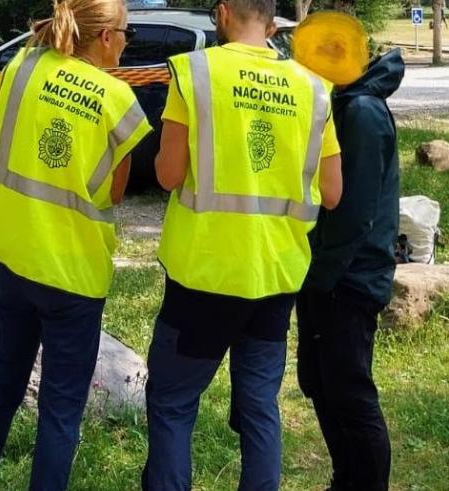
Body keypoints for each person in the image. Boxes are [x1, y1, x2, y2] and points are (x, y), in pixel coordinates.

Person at [141, 0, 343, 488]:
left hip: (203, 272)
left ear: (223, 12)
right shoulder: (313, 88)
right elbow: (333, 192)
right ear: (272, 21)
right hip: (274, 274)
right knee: (258, 407)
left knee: (172, 405)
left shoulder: (196, 73)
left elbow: (169, 175)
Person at [0, 0, 152, 488]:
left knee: (0, 390)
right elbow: (117, 192)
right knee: (60, 412)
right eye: (126, 31)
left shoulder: (23, 65)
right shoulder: (118, 99)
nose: (129, 41)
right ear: (105, 36)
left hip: (14, 260)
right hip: (73, 276)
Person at [296, 48, 404, 491]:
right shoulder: (344, 103)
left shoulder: (360, 111)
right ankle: (347, 478)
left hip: (349, 278)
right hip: (330, 272)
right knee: (320, 383)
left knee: (349, 391)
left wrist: (321, 276)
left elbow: (353, 213)